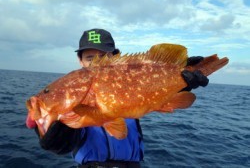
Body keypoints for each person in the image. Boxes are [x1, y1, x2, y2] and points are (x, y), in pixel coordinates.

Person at [36, 28, 209, 168]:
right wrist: (58, 132)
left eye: (103, 56)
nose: (96, 62)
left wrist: (180, 82)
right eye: (90, 57)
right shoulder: (70, 92)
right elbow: (61, 146)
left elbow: (150, 93)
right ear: (80, 60)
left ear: (115, 57)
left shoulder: (132, 82)